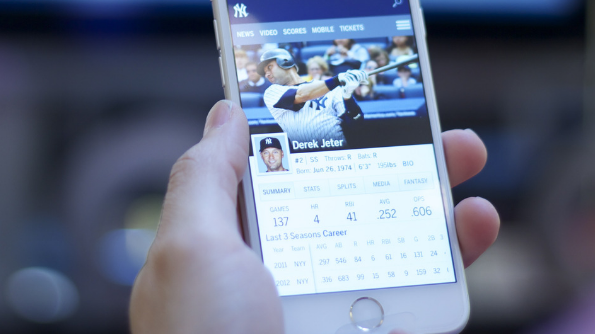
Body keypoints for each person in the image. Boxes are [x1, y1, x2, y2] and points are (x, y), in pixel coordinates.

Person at [130, 100, 500, 334]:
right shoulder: (280, 98)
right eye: (285, 67)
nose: (291, 72)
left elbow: (350, 114)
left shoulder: (329, 101)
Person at [258, 48, 368, 148]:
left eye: (269, 67)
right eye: (264, 72)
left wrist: (348, 97)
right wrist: (337, 80)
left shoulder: (331, 88)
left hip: (337, 154)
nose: (267, 74)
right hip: (306, 159)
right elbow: (302, 95)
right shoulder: (272, 93)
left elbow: (356, 125)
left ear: (285, 61)